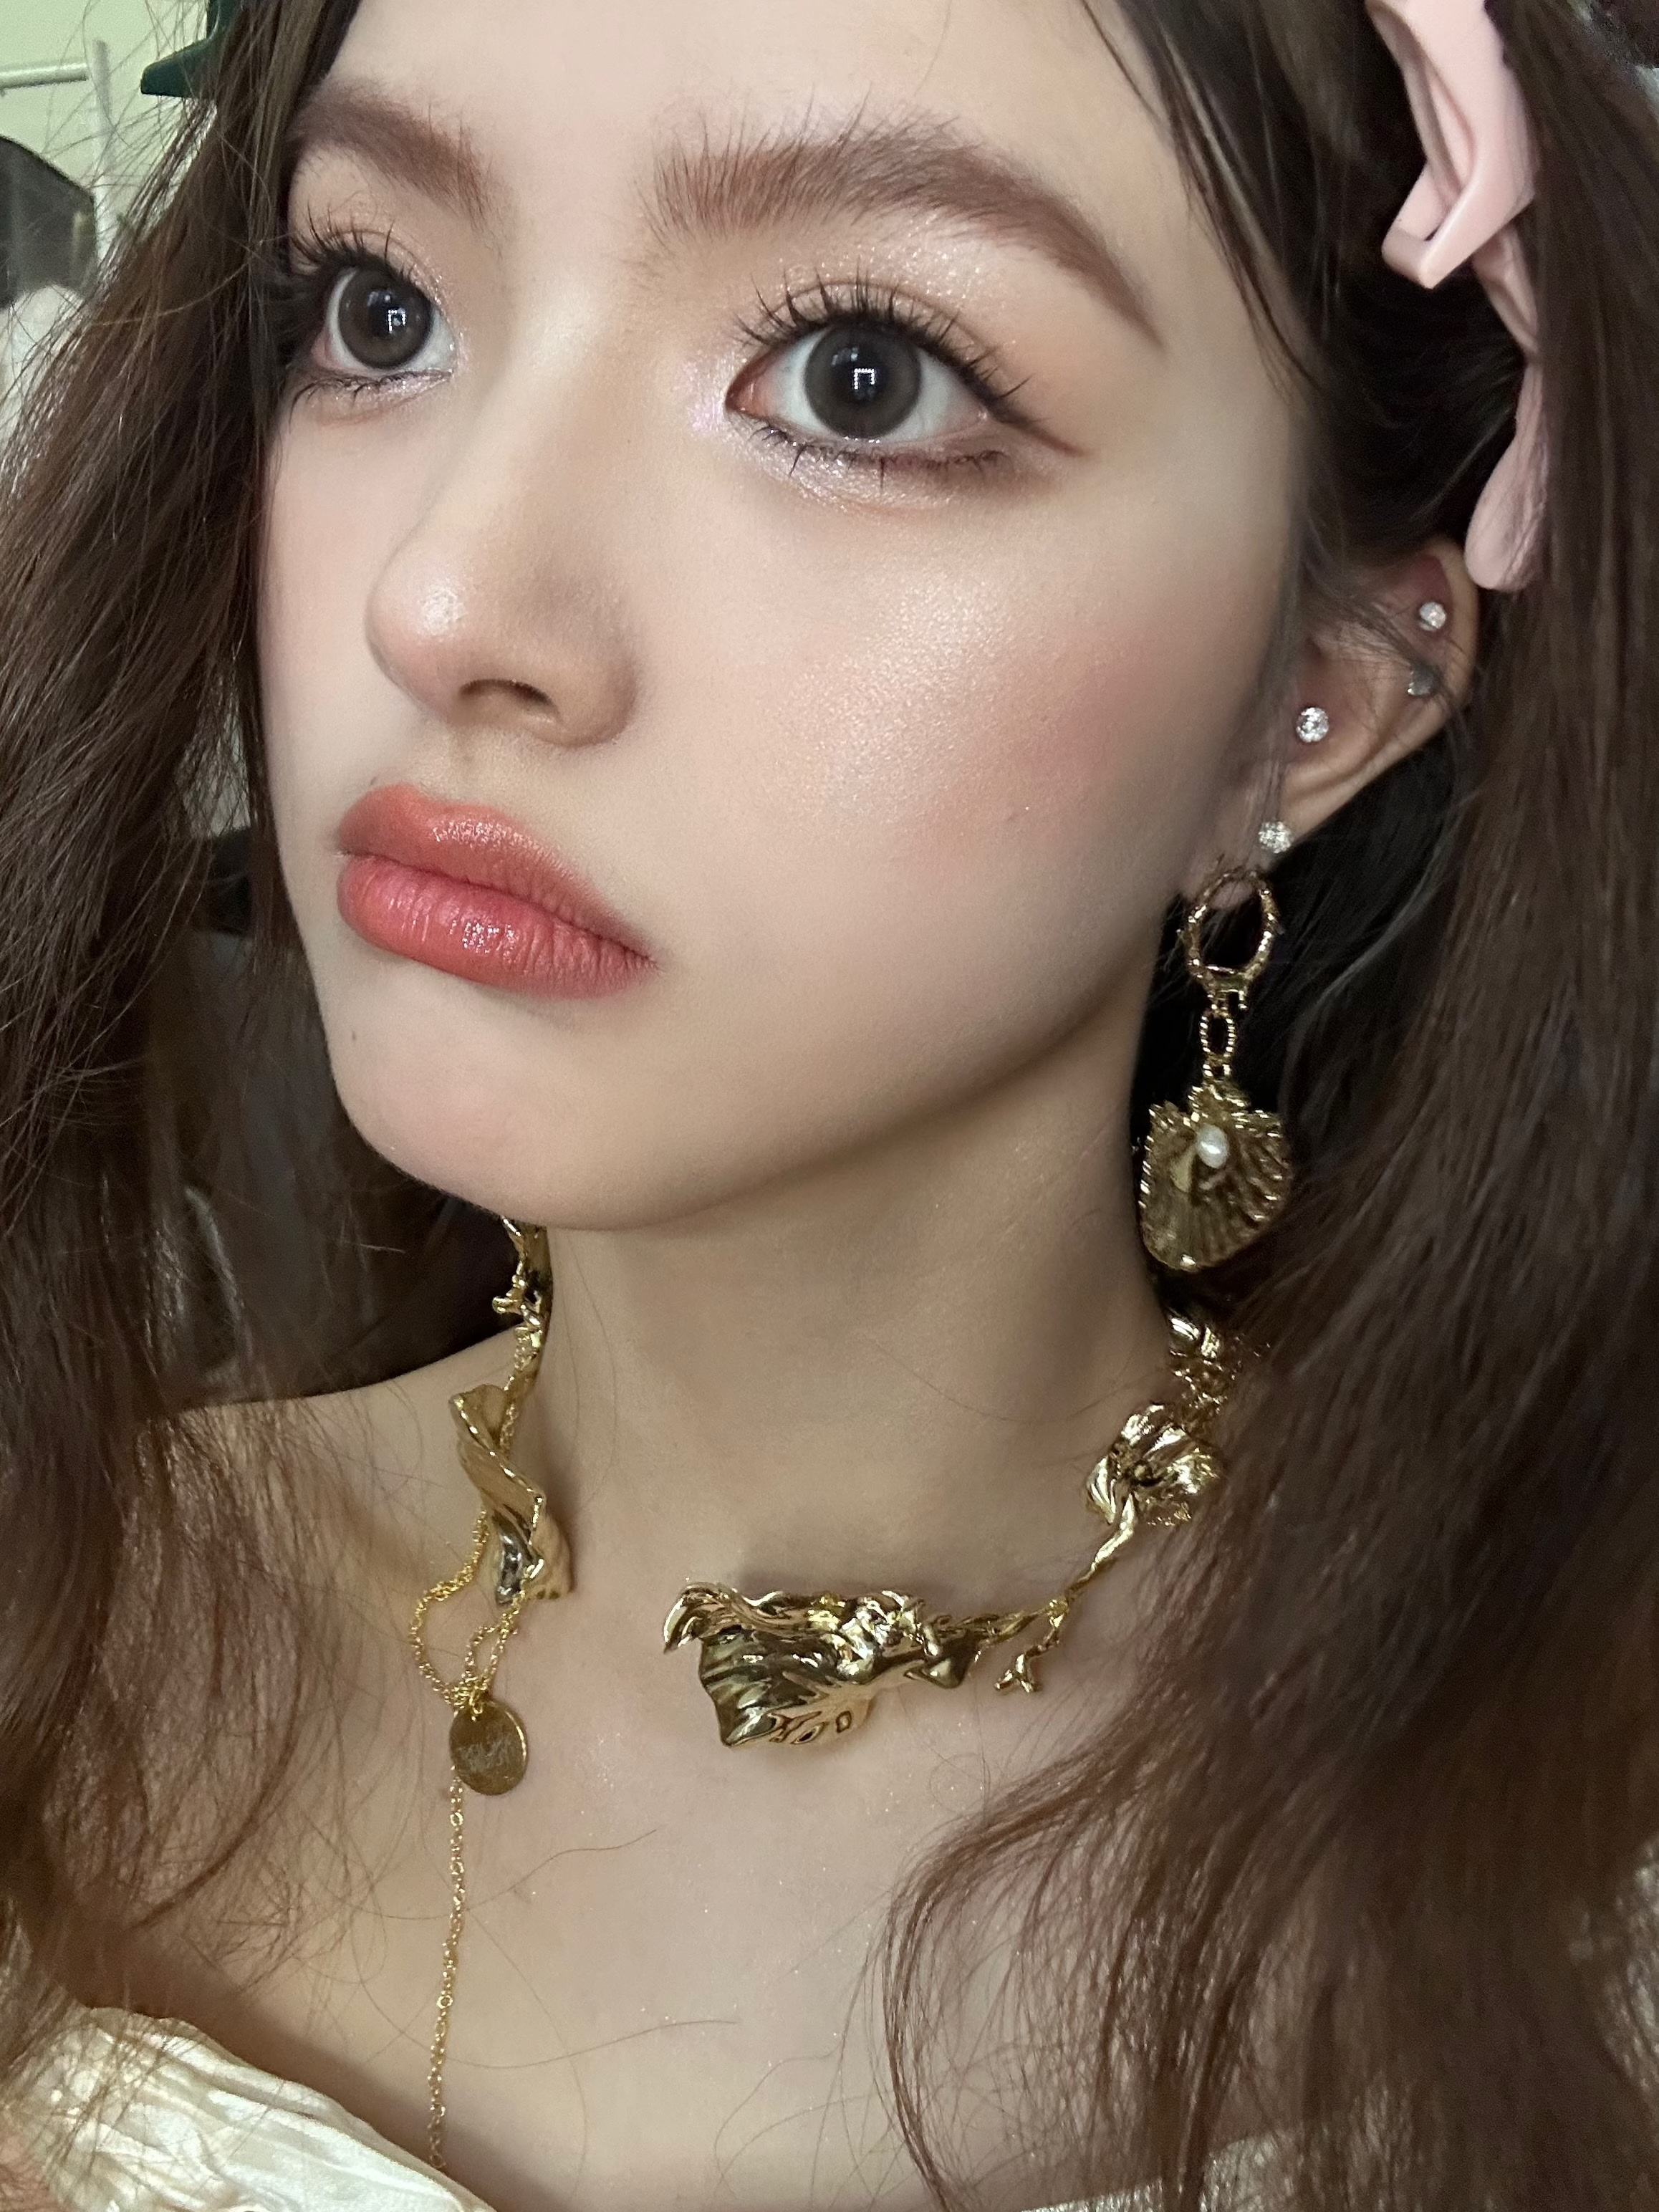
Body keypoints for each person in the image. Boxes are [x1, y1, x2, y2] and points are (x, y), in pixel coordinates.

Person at [0, 0, 1655, 2206]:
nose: (446, 599)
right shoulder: (68, 1606)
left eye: (861, 377)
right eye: (380, 309)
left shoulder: (1583, 1828)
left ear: (1319, 700)